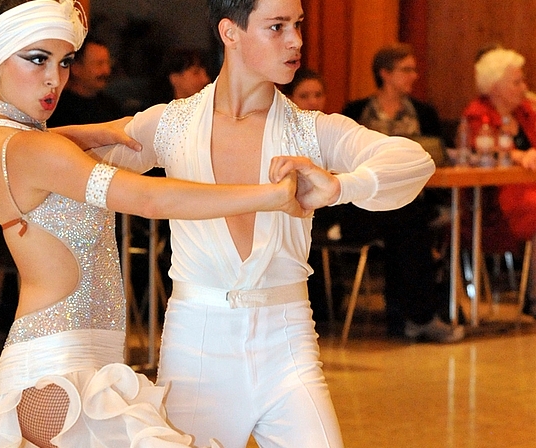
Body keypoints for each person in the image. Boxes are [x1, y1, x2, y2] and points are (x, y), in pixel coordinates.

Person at [0, 1, 306, 447]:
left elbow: (4, 151)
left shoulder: (2, 141)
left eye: (64, 62)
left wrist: (85, 133)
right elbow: (147, 197)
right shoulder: (37, 152)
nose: (54, 79)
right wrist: (271, 196)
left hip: (72, 359)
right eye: (36, 59)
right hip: (58, 369)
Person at [97, 0, 435, 446]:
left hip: (288, 344)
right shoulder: (172, 124)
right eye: (276, 27)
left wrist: (339, 187)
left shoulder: (310, 130)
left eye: (296, 25)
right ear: (230, 32)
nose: (294, 40)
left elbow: (414, 162)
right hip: (196, 347)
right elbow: (75, 163)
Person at [339, 43, 463, 342]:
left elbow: (438, 157)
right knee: (407, 221)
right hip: (363, 204)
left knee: (407, 216)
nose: (414, 75)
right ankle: (419, 317)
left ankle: (410, 316)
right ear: (385, 74)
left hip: (412, 202)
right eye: (407, 69)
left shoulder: (424, 112)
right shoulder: (356, 112)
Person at [463, 47, 536, 316]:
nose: (524, 87)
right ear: (495, 86)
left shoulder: (527, 111)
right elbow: (481, 151)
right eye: (516, 82)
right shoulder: (477, 113)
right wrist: (517, 154)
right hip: (495, 199)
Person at [46, 36, 123, 127]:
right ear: (76, 68)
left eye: (107, 63)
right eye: (99, 64)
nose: (106, 70)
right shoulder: (58, 109)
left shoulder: (111, 107)